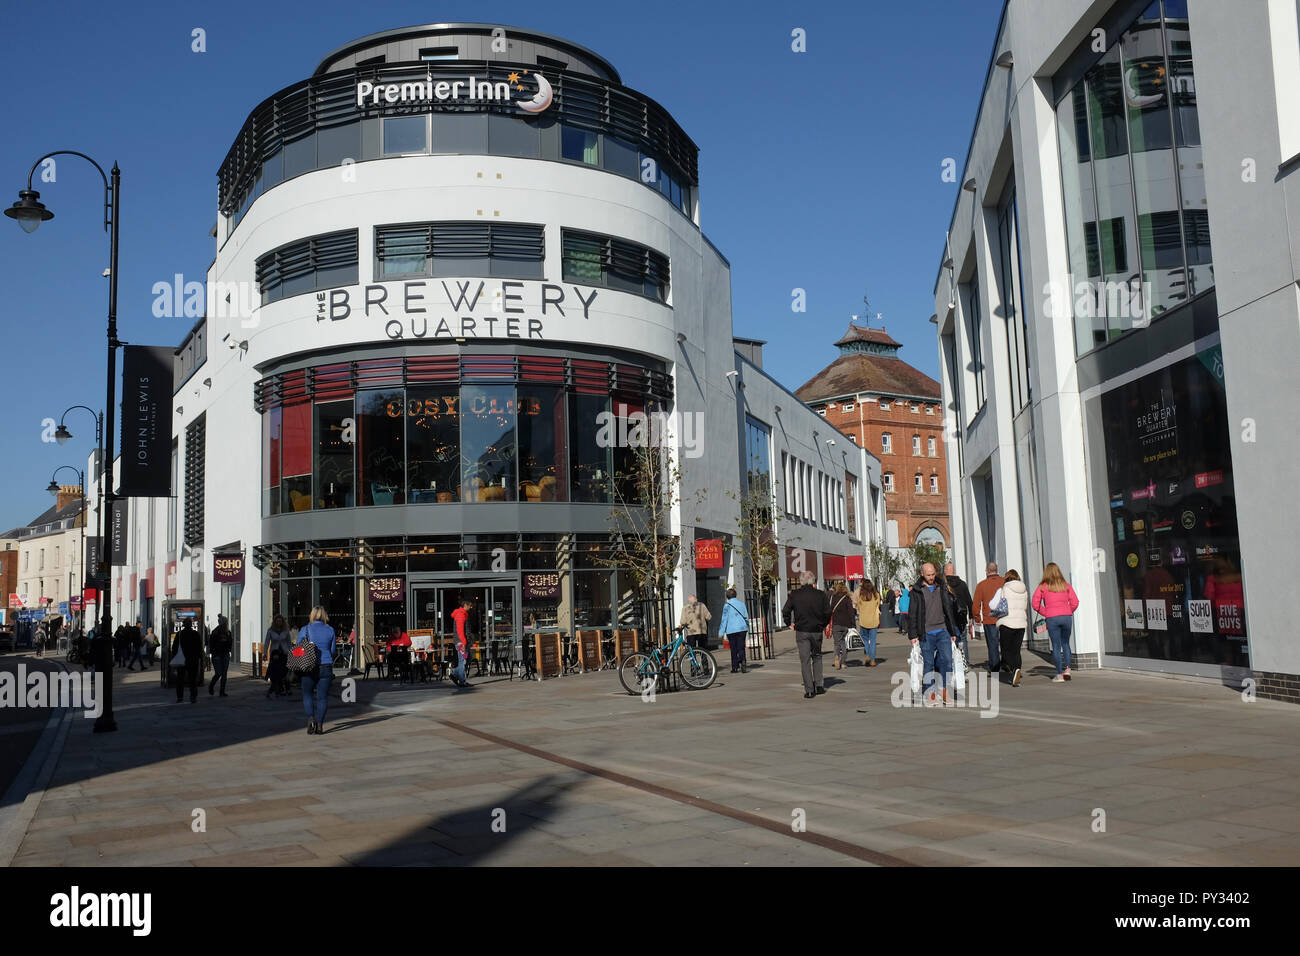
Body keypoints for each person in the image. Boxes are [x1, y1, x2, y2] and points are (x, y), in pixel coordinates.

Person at [907, 562, 960, 704]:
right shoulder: (916, 591)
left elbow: (948, 609)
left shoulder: (941, 587)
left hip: (943, 630)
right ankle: (930, 693)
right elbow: (912, 614)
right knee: (928, 663)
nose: (931, 577)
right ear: (922, 574)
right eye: (928, 575)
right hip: (926, 632)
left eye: (933, 574)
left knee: (948, 660)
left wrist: (952, 630)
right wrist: (913, 635)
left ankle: (944, 690)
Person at [782, 571, 830, 699]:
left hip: (802, 630)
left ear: (801, 581)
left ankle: (809, 690)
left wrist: (789, 623)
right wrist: (823, 625)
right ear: (813, 581)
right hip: (816, 630)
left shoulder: (795, 595)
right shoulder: (821, 594)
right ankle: (819, 685)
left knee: (805, 660)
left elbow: (785, 610)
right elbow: (828, 612)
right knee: (817, 657)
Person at [1032, 562, 1080, 683]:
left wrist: (1046, 612)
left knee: (1056, 646)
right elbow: (1075, 602)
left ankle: (1059, 675)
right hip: (1066, 617)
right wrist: (1068, 610)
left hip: (1052, 618)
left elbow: (1035, 604)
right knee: (1066, 643)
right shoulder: (1066, 585)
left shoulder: (1043, 587)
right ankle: (1068, 670)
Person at [299, 606, 336, 733]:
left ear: (312, 615)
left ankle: (311, 718)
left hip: (309, 666)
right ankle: (320, 724)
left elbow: (299, 648)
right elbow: (332, 651)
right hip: (326, 665)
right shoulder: (330, 630)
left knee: (307, 694)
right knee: (322, 697)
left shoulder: (305, 629)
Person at [992, 570, 1030, 685]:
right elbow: (1025, 606)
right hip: (1020, 623)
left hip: (1007, 622)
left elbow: (1000, 604)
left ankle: (1013, 667)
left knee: (1005, 649)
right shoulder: (1024, 590)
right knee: (1016, 650)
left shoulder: (1005, 588)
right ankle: (1017, 668)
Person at [971, 562, 1006, 674]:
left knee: (992, 644)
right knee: (1006, 643)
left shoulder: (981, 585)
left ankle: (995, 667)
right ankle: (1007, 664)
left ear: (987, 571)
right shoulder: (1004, 582)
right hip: (1005, 618)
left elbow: (975, 605)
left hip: (989, 619)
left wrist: (977, 618)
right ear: (997, 570)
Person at [943, 562, 973, 665]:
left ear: (945, 571)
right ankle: (965, 663)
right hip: (961, 617)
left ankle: (952, 663)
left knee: (948, 640)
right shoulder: (962, 584)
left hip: (948, 618)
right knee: (963, 640)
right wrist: (971, 616)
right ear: (954, 571)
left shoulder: (943, 585)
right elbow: (969, 601)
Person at [718, 587, 750, 674]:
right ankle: (743, 664)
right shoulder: (742, 604)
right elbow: (746, 617)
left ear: (727, 596)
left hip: (731, 630)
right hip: (742, 629)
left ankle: (735, 667)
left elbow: (724, 619)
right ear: (735, 595)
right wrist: (747, 626)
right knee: (741, 647)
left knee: (733, 649)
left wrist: (721, 632)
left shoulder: (727, 606)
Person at [170, 620, 203, 703]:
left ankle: (180, 697)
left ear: (183, 625)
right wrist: (200, 658)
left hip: (182, 659)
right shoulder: (195, 634)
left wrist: (174, 656)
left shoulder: (180, 634)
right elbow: (199, 647)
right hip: (193, 659)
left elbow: (174, 648)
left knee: (180, 679)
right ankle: (193, 697)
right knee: (192, 679)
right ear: (191, 625)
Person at [264, 615, 292, 698]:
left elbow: (289, 642)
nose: (279, 622)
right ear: (275, 622)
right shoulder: (270, 630)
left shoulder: (286, 631)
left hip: (284, 652)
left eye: (280, 621)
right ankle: (280, 689)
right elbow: (266, 642)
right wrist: (265, 653)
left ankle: (287, 688)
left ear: (283, 622)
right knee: (277, 671)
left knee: (285, 671)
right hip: (275, 653)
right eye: (277, 621)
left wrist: (290, 652)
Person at [855, 578, 881, 666]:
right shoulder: (876, 595)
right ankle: (873, 660)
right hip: (873, 621)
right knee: (873, 641)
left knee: (865, 640)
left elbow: (858, 607)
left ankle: (867, 655)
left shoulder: (861, 595)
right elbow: (878, 605)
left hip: (863, 621)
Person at [828, 581, 855, 670]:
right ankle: (843, 663)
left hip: (836, 624)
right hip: (845, 624)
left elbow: (830, 610)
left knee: (836, 643)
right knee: (843, 643)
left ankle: (836, 656)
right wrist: (853, 624)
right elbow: (851, 612)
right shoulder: (847, 598)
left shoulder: (834, 597)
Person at [208, 614, 234, 696]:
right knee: (218, 673)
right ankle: (211, 686)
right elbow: (211, 644)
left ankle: (222, 691)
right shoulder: (215, 632)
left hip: (225, 654)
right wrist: (214, 653)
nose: (226, 624)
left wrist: (229, 650)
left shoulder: (228, 633)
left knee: (224, 673)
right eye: (225, 623)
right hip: (217, 655)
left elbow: (230, 642)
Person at [449, 599, 472, 688]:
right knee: (463, 661)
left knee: (466, 659)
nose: (471, 607)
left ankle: (455, 675)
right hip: (461, 643)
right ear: (465, 605)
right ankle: (460, 680)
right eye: (470, 605)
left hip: (462, 642)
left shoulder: (462, 614)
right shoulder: (460, 615)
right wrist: (463, 642)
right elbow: (460, 630)